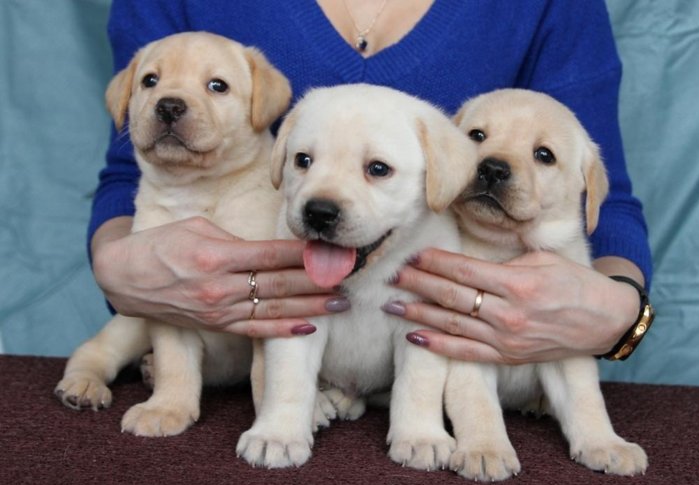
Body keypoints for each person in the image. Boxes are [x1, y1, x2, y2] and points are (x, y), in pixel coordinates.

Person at [91, 0, 652, 363]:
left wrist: (620, 317)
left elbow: (603, 196)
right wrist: (117, 266)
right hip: (243, 392)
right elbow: (133, 167)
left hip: (458, 359)